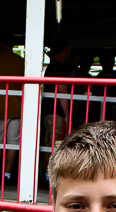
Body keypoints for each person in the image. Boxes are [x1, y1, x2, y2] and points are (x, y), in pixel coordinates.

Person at [0, 34, 25, 184]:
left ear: (1, 44)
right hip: (16, 108)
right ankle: (7, 173)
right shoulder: (21, 62)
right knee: (13, 142)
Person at [41, 38, 71, 181]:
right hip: (56, 112)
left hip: (49, 111)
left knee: (49, 142)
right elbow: (62, 90)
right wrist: (67, 114)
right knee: (54, 142)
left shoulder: (51, 66)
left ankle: (47, 175)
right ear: (64, 50)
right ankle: (50, 176)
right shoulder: (59, 67)